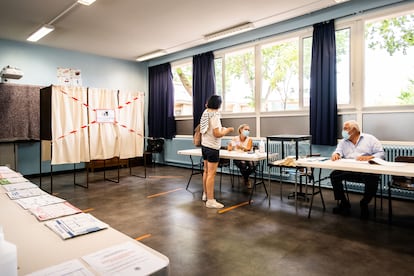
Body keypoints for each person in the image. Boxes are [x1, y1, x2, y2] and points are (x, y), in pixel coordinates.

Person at [330, 120, 384, 220]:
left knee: (372, 178)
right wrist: (336, 154)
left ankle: (364, 203)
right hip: (349, 170)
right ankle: (344, 202)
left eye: (345, 129)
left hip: (366, 171)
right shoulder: (343, 142)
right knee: (334, 175)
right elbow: (338, 151)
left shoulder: (370, 139)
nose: (343, 131)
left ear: (354, 130)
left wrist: (370, 157)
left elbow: (381, 154)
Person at [200, 95, 234, 209]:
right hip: (212, 148)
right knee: (211, 174)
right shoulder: (214, 115)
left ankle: (205, 194)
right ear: (218, 104)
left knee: (205, 171)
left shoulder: (206, 112)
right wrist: (227, 130)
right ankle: (210, 200)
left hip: (204, 146)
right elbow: (217, 134)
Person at [228, 124, 255, 189]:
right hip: (238, 158)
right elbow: (229, 149)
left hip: (247, 158)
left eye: (248, 130)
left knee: (252, 166)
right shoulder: (235, 138)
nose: (247, 131)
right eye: (246, 129)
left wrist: (240, 147)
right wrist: (230, 145)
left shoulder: (249, 139)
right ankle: (247, 180)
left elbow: (248, 148)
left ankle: (245, 177)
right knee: (243, 164)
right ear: (240, 130)